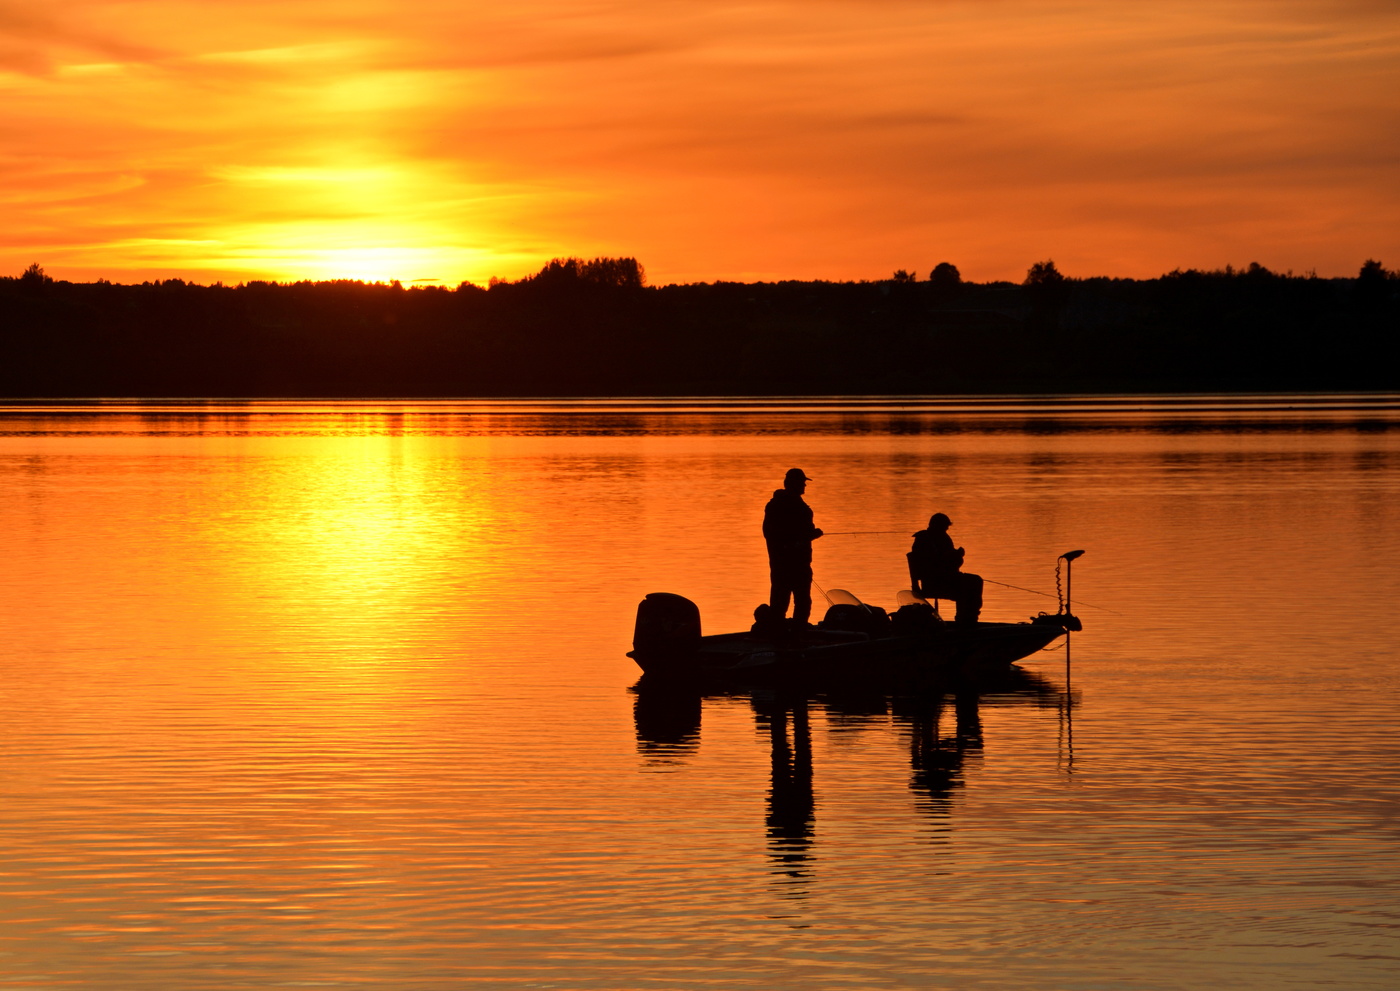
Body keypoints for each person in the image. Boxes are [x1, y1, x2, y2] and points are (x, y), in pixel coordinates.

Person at [762, 468, 823, 625]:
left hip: (781, 564)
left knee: (781, 602)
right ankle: (796, 631)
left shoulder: (775, 505)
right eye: (802, 482)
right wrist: (813, 534)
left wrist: (807, 535)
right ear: (793, 484)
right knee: (800, 602)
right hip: (795, 565)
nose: (804, 485)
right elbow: (794, 533)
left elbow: (771, 533)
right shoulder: (797, 508)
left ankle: (779, 631)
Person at [908, 512, 983, 624]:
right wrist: (956, 555)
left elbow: (950, 562)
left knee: (975, 580)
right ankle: (965, 619)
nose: (946, 529)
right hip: (936, 582)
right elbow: (934, 562)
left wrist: (956, 555)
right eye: (944, 527)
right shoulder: (924, 540)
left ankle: (968, 617)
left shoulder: (942, 538)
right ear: (936, 525)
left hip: (947, 578)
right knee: (970, 584)